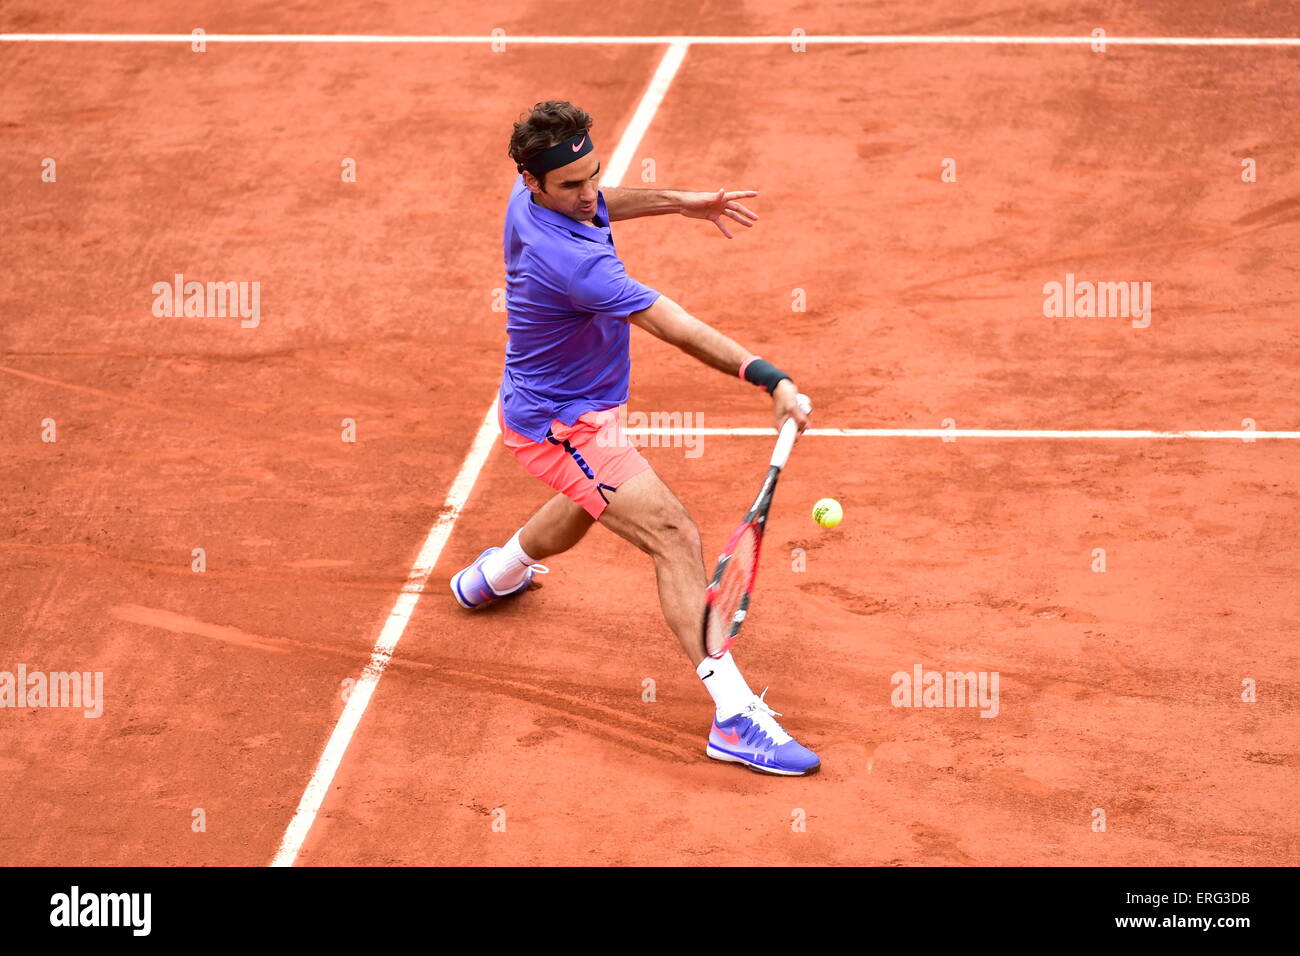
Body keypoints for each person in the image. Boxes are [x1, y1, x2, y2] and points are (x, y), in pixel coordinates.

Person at [450, 100, 819, 776]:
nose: (589, 194)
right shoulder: (569, 263)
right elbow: (671, 323)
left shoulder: (537, 192)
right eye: (572, 185)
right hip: (560, 426)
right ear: (533, 183)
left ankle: (494, 575)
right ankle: (733, 717)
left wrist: (682, 203)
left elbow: (599, 203)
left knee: (591, 505)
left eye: (594, 174)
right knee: (673, 534)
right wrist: (770, 378)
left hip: (584, 402)